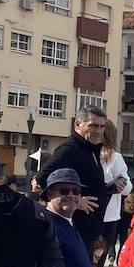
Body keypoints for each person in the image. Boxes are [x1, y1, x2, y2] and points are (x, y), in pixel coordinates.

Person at [38, 106, 111, 254]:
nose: (98, 131)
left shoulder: (90, 149)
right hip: (76, 227)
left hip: (89, 229)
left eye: (102, 126)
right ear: (78, 125)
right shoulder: (70, 149)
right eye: (93, 126)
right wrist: (76, 200)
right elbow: (42, 177)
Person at [44, 168, 96, 267]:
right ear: (49, 194)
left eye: (76, 191)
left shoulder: (68, 223)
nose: (71, 195)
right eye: (64, 191)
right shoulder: (46, 225)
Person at [98, 120, 133, 267]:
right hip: (109, 215)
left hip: (86, 211)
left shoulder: (85, 155)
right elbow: (126, 188)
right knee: (100, 256)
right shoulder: (114, 157)